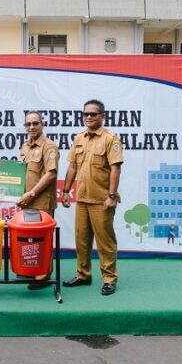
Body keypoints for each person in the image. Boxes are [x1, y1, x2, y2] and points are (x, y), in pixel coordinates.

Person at [61, 99, 124, 296]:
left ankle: (109, 278)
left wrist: (112, 195)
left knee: (105, 242)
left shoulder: (110, 139)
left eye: (93, 114)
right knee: (81, 240)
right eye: (85, 114)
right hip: (82, 199)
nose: (88, 117)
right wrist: (65, 191)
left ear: (102, 116)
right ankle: (83, 274)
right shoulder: (79, 138)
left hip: (102, 200)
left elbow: (116, 168)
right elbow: (72, 166)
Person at [16, 111, 59, 290]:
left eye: (35, 123)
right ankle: (30, 269)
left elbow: (51, 174)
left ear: (42, 125)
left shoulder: (48, 147)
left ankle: (44, 274)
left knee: (42, 239)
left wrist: (32, 194)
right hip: (26, 201)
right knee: (29, 240)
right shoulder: (24, 146)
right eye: (28, 124)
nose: (32, 127)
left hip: (40, 201)